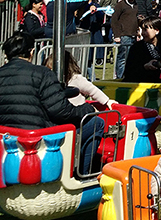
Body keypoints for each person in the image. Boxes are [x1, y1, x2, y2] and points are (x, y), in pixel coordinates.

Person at [0, 32, 103, 172]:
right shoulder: (41, 73)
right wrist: (87, 109)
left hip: (7, 137)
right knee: (96, 123)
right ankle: (83, 175)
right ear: (31, 52)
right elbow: (61, 111)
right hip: (37, 138)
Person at [43, 51, 114, 108]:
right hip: (63, 114)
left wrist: (106, 101)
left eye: (53, 70)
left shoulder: (76, 79)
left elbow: (92, 90)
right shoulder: (50, 82)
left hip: (78, 112)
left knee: (99, 122)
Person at [122, 17, 161, 82]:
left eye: (146, 29)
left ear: (157, 31)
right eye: (142, 30)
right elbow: (129, 72)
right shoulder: (137, 48)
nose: (142, 33)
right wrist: (145, 67)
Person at [111, 0, 140, 80]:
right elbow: (114, 20)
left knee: (131, 57)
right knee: (122, 57)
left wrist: (138, 33)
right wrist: (117, 35)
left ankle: (128, 76)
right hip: (124, 34)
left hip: (133, 34)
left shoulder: (136, 5)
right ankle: (120, 77)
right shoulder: (121, 5)